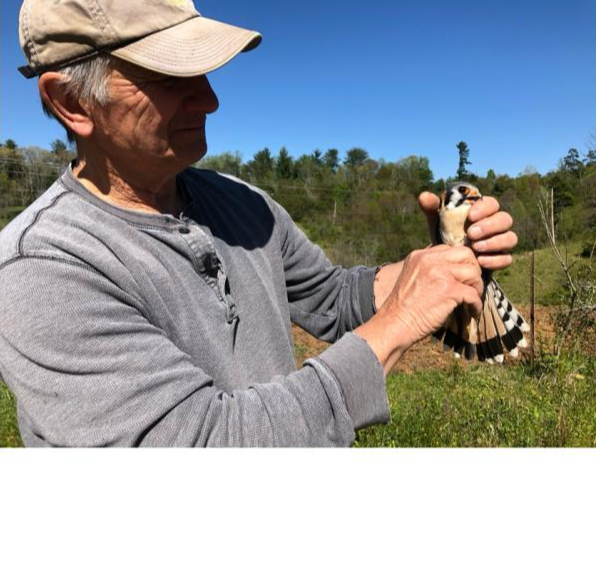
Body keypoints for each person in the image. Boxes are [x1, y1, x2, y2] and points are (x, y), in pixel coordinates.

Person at [0, 0, 517, 447]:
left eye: (202, 71)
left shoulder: (244, 202)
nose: (210, 99)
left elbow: (333, 298)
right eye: (169, 76)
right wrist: (399, 322)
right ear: (72, 102)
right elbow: (210, 445)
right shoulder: (41, 271)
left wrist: (435, 263)